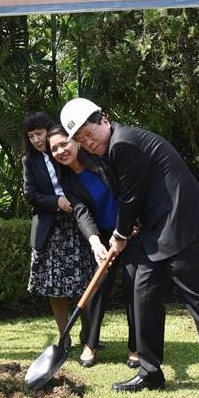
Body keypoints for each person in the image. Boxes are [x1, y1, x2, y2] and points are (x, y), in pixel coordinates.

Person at [60, 98, 199, 398]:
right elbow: (137, 193)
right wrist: (131, 226)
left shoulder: (123, 143)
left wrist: (120, 236)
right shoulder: (108, 152)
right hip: (156, 228)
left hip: (179, 224)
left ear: (104, 119)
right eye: (80, 139)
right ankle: (150, 372)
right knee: (143, 296)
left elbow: (132, 196)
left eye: (88, 132)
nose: (88, 142)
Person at [47, 124, 140, 369]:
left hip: (132, 229)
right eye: (54, 149)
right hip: (106, 235)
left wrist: (132, 223)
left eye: (63, 143)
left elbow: (128, 191)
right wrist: (95, 241)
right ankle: (90, 343)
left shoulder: (101, 159)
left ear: (76, 141)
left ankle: (135, 347)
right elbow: (81, 211)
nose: (60, 151)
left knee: (135, 286)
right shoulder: (67, 179)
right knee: (97, 286)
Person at [22, 113, 95, 349]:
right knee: (55, 287)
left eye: (39, 134)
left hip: (78, 224)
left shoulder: (65, 151)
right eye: (31, 136)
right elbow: (30, 194)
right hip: (50, 229)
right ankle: (64, 337)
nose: (35, 140)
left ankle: (89, 337)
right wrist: (56, 202)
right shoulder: (29, 161)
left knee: (85, 282)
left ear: (49, 130)